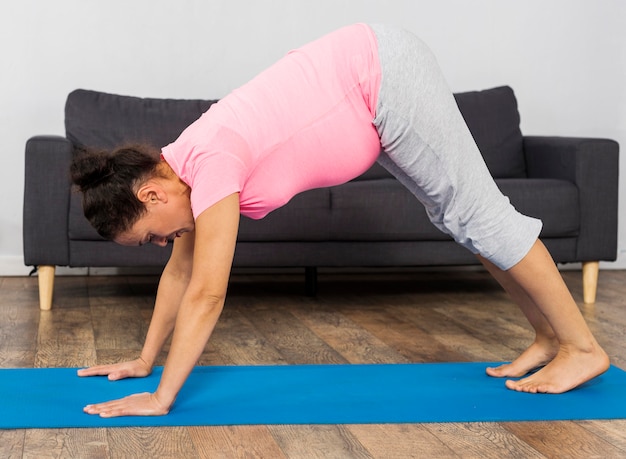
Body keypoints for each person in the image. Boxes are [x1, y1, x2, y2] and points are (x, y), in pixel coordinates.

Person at [71, 24, 609, 418]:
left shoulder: (210, 163)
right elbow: (181, 274)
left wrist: (163, 396)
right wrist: (145, 360)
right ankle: (547, 336)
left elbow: (206, 292)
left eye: (151, 235)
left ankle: (583, 349)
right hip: (368, 82)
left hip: (381, 75)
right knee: (461, 220)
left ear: (152, 192)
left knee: (481, 216)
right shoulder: (182, 166)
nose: (164, 243)